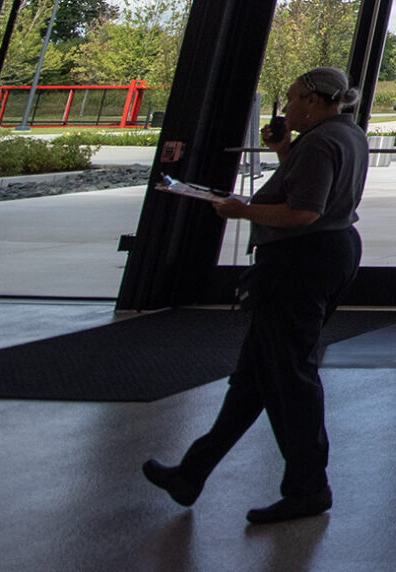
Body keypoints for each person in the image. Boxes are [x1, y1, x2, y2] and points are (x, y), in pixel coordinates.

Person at [142, 65, 369, 525]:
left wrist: (242, 211)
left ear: (312, 100)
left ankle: (309, 487)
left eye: (291, 99)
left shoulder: (322, 142)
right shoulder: (349, 135)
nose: (286, 107)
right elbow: (312, 192)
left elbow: (305, 211)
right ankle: (192, 472)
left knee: (290, 376)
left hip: (300, 263)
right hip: (331, 252)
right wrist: (286, 150)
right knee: (256, 378)